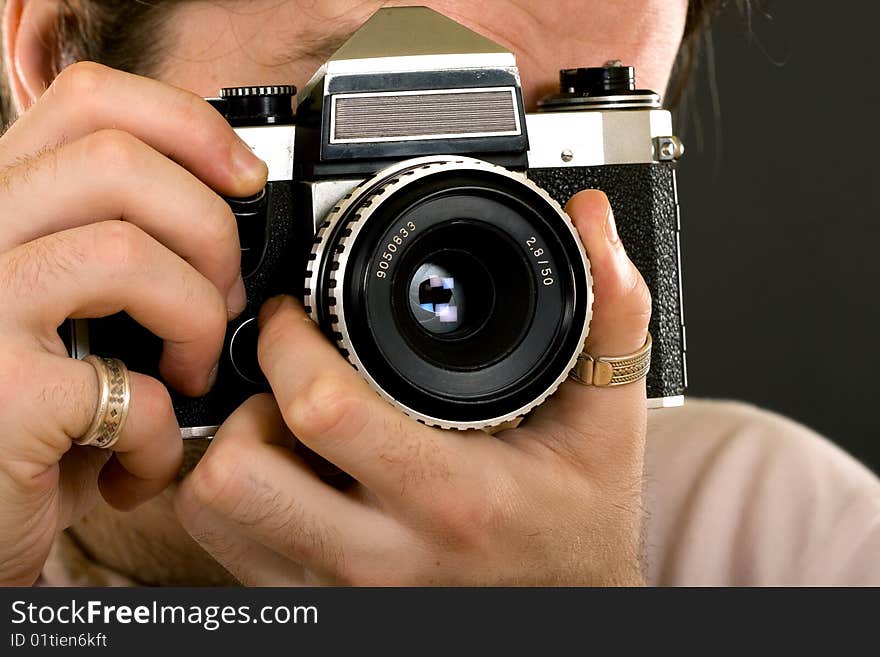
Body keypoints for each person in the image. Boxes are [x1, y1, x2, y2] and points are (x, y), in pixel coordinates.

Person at [0, 0, 877, 587]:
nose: (463, 223)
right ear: (57, 59)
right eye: (358, 117)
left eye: (535, 138)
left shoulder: (788, 542)